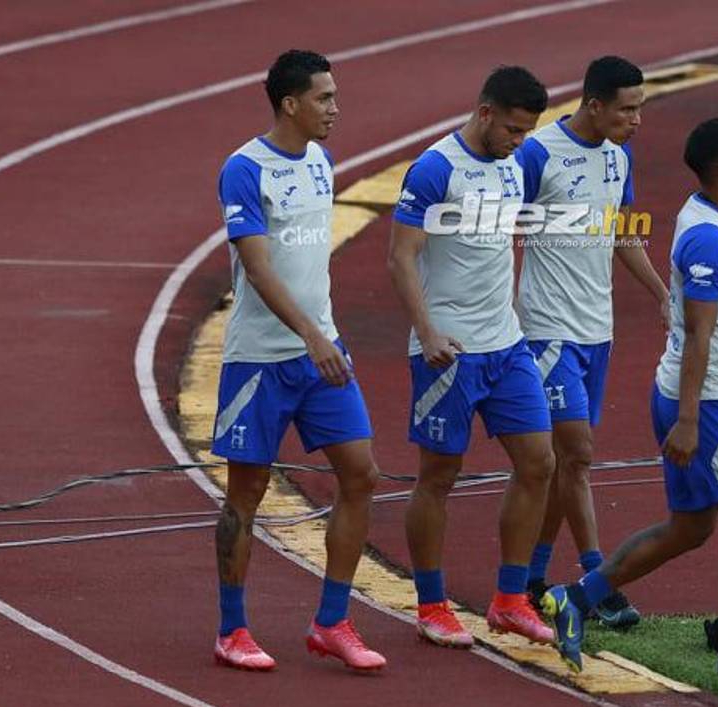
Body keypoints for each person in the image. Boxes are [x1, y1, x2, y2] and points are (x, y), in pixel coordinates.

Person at [540, 118, 718, 678]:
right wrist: (690, 420)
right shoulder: (707, 238)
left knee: (691, 527)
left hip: (710, 398)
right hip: (703, 405)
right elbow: (700, 337)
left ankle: (578, 599)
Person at [210, 50, 385, 672]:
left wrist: (323, 336)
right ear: (291, 103)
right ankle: (233, 630)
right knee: (247, 493)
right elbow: (257, 268)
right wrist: (311, 335)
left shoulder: (320, 162)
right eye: (325, 98)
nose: (336, 108)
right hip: (261, 360)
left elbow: (311, 263)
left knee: (361, 474)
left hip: (322, 353)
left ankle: (332, 621)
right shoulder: (243, 170)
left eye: (335, 96)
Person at [387, 65, 556, 649]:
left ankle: (510, 600)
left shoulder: (515, 163)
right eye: (512, 128)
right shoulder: (435, 169)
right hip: (448, 353)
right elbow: (401, 258)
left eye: (527, 131)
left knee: (539, 464)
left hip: (506, 347)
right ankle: (432, 604)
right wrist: (427, 331)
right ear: (484, 112)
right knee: (439, 476)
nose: (520, 141)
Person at [516, 55, 668, 630]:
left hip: (596, 332)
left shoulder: (619, 156)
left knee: (562, 464)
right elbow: (505, 233)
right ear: (594, 104)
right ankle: (596, 583)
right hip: (546, 329)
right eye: (627, 109)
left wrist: (660, 293)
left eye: (641, 108)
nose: (636, 120)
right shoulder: (537, 154)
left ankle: (531, 577)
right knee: (577, 455)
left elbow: (622, 233)